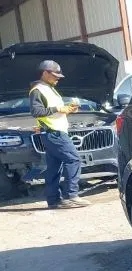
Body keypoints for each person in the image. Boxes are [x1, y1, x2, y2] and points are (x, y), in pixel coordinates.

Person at [29, 60, 91, 209]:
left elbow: (53, 112)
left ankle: (53, 200)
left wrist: (67, 110)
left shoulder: (49, 89)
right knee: (74, 159)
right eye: (55, 75)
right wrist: (58, 109)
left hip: (52, 133)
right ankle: (71, 196)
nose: (58, 78)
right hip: (54, 133)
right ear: (45, 73)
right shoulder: (37, 90)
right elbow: (36, 112)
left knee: (54, 167)